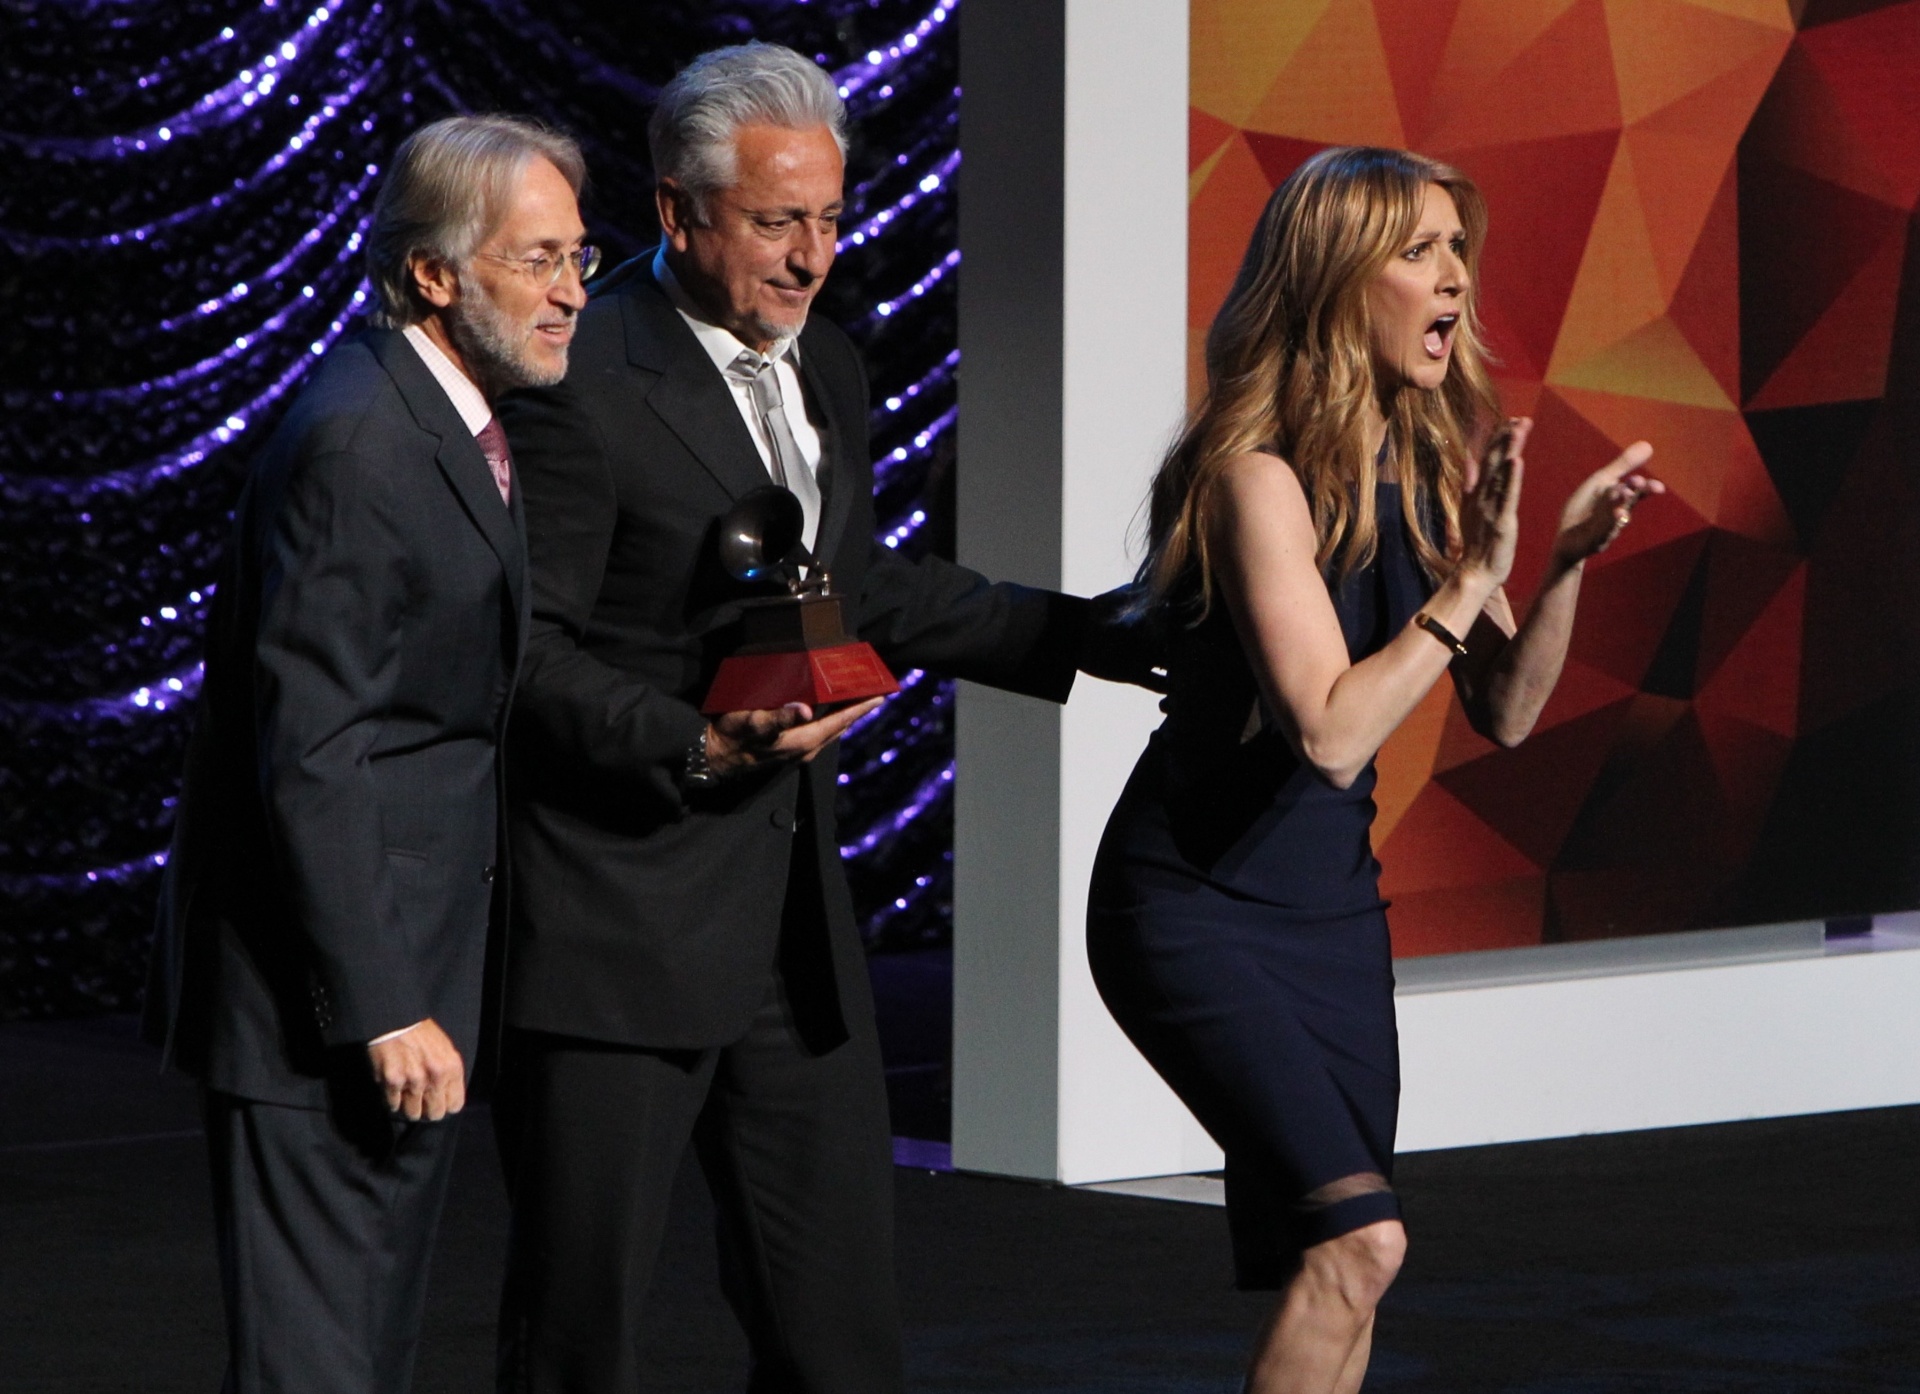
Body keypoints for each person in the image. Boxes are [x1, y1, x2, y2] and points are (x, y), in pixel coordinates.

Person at [490, 41, 1157, 1394]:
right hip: (615, 935)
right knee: (580, 1343)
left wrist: (1102, 634)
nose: (813, 256)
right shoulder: (583, 377)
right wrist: (697, 740)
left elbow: (864, 589)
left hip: (792, 948)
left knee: (839, 1337)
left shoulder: (830, 364)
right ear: (679, 213)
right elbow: (522, 659)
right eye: (777, 221)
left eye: (833, 219)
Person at [1085, 146, 1664, 1394]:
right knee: (1361, 1241)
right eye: (1420, 253)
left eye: (1459, 248)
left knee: (1349, 1264)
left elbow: (1503, 707)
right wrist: (1468, 581)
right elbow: (1334, 727)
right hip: (1194, 909)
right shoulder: (1254, 479)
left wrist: (1552, 567)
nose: (1455, 277)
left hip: (1330, 918)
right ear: (1340, 282)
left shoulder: (1410, 471)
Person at [143, 114, 595, 1394]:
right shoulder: (361, 441)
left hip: (412, 973)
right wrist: (386, 998)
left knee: (367, 1353)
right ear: (436, 274)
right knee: (317, 1364)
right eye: (536, 259)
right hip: (332, 999)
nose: (571, 290)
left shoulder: (451, 420)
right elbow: (314, 746)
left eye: (578, 253)